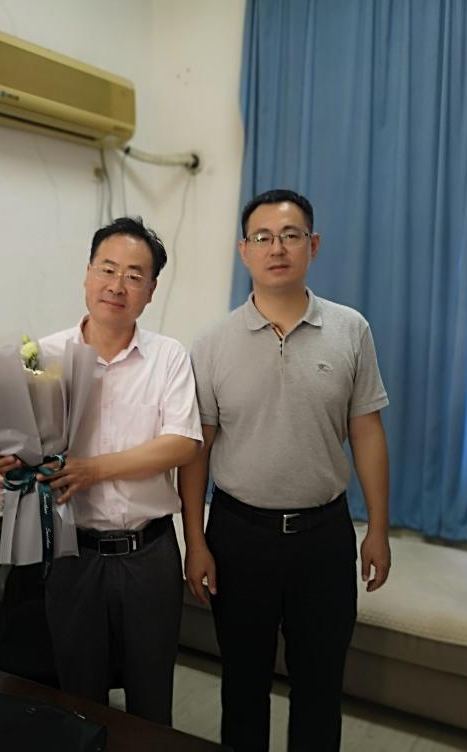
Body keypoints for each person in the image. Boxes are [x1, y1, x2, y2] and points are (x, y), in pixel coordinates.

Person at [178, 189, 391, 752]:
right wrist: (195, 541)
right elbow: (197, 450)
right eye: (263, 237)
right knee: (242, 686)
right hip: (238, 536)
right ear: (244, 251)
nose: (277, 248)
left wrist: (378, 529)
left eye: (291, 235)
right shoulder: (212, 343)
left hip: (324, 536)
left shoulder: (351, 330)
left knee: (320, 688)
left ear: (312, 246)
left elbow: (368, 433)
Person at [0, 216, 202, 726]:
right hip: (72, 552)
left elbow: (182, 443)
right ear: (86, 274)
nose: (117, 285)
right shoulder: (42, 355)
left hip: (149, 552)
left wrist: (93, 470)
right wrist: (6, 455)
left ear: (151, 291)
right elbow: (24, 444)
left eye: (134, 275)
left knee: (151, 698)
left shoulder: (168, 356)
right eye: (107, 269)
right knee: (79, 697)